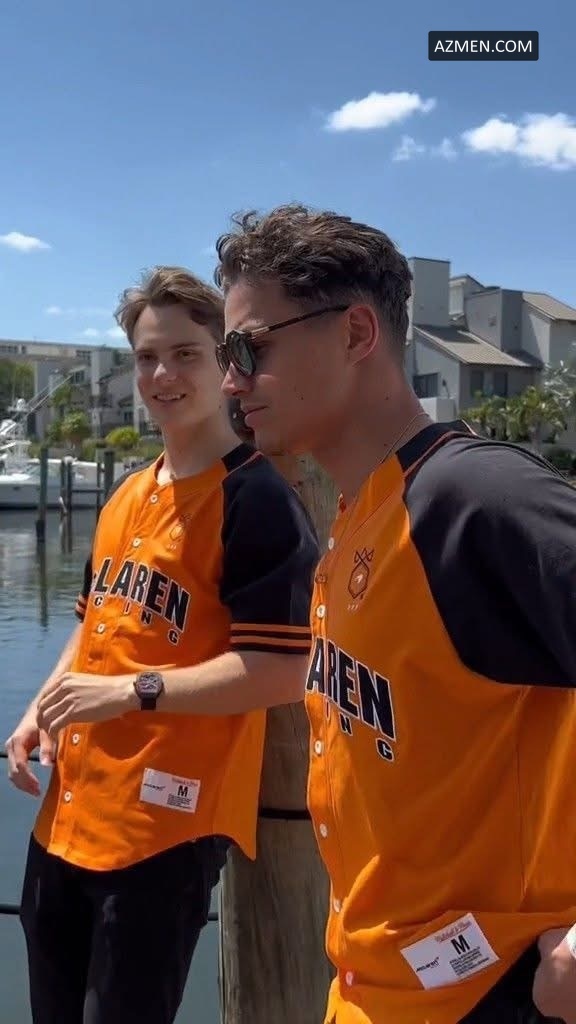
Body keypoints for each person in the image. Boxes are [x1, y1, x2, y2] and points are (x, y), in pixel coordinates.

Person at [213, 203, 576, 1024]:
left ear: (356, 333)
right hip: (374, 990)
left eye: (250, 349)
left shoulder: (476, 499)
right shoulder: (359, 514)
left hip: (488, 997)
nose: (231, 381)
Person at [5, 265, 319, 1024]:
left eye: (185, 354)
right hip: (68, 816)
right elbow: (93, 622)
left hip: (163, 832)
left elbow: (287, 668)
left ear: (225, 363)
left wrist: (131, 691)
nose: (162, 375)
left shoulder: (256, 499)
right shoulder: (127, 493)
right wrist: (41, 708)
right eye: (146, 357)